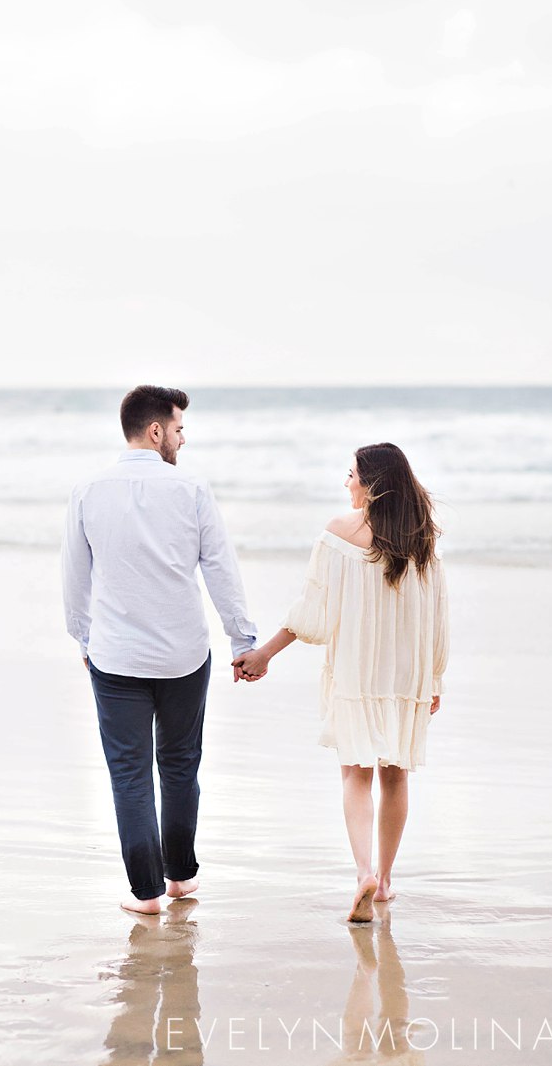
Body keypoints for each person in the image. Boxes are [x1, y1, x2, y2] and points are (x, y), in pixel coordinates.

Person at [61, 385, 259, 915]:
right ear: (155, 431)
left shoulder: (87, 491)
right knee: (179, 765)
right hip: (183, 655)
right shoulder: (191, 488)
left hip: (115, 656)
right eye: (178, 429)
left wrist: (83, 639)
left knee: (128, 772)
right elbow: (220, 568)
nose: (181, 438)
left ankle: (145, 893)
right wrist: (242, 639)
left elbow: (74, 579)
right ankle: (180, 878)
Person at [233, 443, 448, 923]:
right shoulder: (422, 538)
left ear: (372, 484)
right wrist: (434, 676)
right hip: (406, 673)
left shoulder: (337, 535)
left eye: (351, 474)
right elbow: (438, 615)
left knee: (356, 774)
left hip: (358, 670)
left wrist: (264, 653)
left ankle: (364, 873)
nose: (346, 482)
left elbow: (313, 612)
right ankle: (387, 881)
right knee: (396, 777)